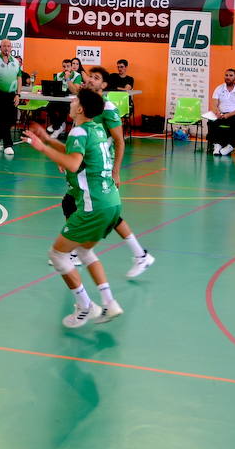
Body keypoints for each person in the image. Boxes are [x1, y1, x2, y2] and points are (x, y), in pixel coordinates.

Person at [24, 89, 125, 327]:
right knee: (83, 250)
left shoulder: (79, 130)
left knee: (57, 255)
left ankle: (85, 306)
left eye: (75, 99)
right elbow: (77, 155)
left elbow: (72, 163)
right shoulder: (96, 129)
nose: (72, 101)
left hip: (94, 206)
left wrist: (42, 148)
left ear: (80, 109)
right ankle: (110, 303)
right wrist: (49, 140)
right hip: (112, 202)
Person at [82, 66, 153, 278]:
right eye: (90, 77)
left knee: (100, 210)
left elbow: (120, 141)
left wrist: (116, 172)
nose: (91, 81)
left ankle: (79, 250)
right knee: (82, 206)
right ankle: (80, 249)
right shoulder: (83, 103)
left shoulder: (107, 107)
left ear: (104, 85)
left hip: (100, 166)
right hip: (84, 164)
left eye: (96, 78)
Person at [209, 68, 235, 156]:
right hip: (221, 113)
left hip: (234, 114)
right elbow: (214, 103)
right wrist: (217, 112)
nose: (228, 77)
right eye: (226, 75)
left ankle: (230, 145)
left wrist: (229, 115)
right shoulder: (219, 88)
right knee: (211, 121)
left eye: (230, 75)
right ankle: (217, 145)